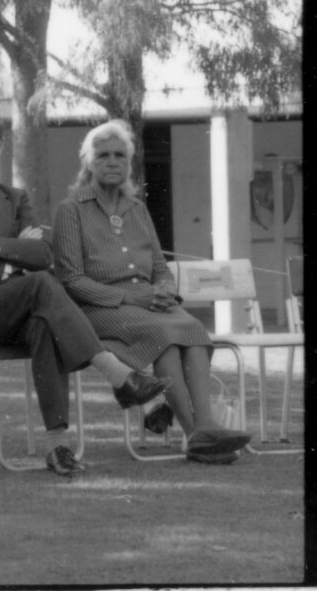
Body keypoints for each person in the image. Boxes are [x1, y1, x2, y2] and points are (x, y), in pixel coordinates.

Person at [0, 102, 171, 476]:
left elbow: (42, 252)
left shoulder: (15, 197)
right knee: (42, 284)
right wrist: (12, 254)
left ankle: (58, 449)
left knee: (46, 324)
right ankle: (118, 374)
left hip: (15, 308)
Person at [52, 119, 251, 464]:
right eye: (103, 156)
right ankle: (196, 436)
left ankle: (205, 426)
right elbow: (72, 280)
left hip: (150, 307)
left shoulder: (137, 209)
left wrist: (165, 292)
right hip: (101, 309)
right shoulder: (70, 211)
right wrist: (131, 297)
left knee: (191, 329)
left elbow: (159, 267)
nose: (112, 162)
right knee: (165, 333)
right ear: (88, 163)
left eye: (119, 155)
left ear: (128, 163)